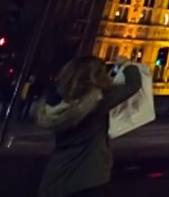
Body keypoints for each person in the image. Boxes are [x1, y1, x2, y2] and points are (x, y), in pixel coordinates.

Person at [36, 55, 143, 197]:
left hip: (57, 175)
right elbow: (133, 84)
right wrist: (127, 65)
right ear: (96, 77)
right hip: (90, 177)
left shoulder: (55, 101)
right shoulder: (97, 102)